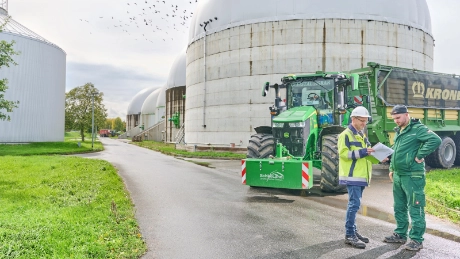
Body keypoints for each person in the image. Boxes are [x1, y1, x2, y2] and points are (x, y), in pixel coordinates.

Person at [383, 105, 441, 251]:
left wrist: (420, 155)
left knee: (415, 207)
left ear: (406, 115)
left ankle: (416, 239)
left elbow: (435, 140)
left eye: (398, 118)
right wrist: (391, 169)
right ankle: (400, 234)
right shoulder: (399, 131)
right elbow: (396, 152)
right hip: (398, 175)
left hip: (412, 175)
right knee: (399, 206)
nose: (396, 121)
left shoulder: (417, 129)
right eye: (394, 118)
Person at [338, 106, 382, 249]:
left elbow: (367, 153)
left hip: (361, 176)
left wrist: (379, 157)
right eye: (362, 121)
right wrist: (363, 151)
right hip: (353, 176)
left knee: (355, 205)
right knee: (354, 205)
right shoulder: (345, 135)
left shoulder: (361, 134)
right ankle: (349, 235)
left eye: (365, 121)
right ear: (353, 119)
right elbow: (344, 154)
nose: (364, 124)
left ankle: (353, 232)